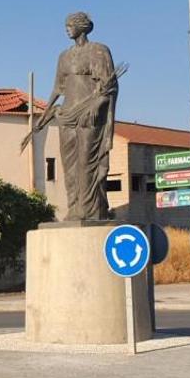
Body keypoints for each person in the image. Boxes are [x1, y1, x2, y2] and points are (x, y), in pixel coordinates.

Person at [30, 12, 120, 221]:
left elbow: (109, 85)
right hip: (67, 115)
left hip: (89, 115)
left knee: (87, 162)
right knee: (69, 165)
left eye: (70, 25)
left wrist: (97, 103)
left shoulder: (98, 51)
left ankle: (90, 210)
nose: (67, 29)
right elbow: (57, 88)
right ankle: (74, 208)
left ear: (82, 26)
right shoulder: (64, 56)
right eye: (66, 26)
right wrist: (44, 116)